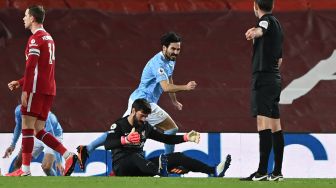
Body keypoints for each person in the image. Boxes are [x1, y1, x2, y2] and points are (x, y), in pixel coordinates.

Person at [6, 5, 77, 176]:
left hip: (36, 89)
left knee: (27, 126)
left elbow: (31, 66)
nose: (23, 18)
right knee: (38, 129)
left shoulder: (34, 39)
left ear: (32, 18)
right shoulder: (49, 38)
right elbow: (43, 69)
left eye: (25, 15)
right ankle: (69, 155)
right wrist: (20, 81)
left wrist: (26, 89)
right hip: (48, 89)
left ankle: (25, 170)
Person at [77, 98, 231, 177]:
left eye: (146, 117)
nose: (144, 119)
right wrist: (125, 140)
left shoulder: (145, 126)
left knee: (178, 157)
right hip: (122, 167)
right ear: (133, 110)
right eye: (142, 116)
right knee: (134, 157)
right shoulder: (119, 125)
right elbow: (109, 143)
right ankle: (161, 170)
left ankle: (213, 170)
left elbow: (165, 139)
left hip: (141, 165)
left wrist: (185, 137)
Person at [123, 31, 197, 155]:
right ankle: (169, 162)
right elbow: (166, 87)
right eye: (173, 49)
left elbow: (169, 79)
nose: (176, 52)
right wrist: (186, 87)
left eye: (178, 49)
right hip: (145, 103)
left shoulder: (170, 59)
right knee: (172, 128)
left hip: (137, 99)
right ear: (164, 47)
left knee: (120, 129)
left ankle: (87, 148)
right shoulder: (159, 63)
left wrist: (174, 101)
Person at [241, 0, 284, 181]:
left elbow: (262, 28)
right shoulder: (278, 26)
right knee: (276, 126)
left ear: (255, 6)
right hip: (274, 79)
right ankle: (277, 172)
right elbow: (280, 59)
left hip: (264, 79)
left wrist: (255, 32)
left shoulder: (265, 21)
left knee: (263, 124)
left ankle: (261, 172)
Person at [3, 105, 64, 176]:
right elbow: (18, 126)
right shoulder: (19, 111)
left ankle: (55, 184)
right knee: (18, 163)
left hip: (52, 136)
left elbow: (52, 140)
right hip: (36, 134)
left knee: (46, 167)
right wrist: (12, 145)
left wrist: (58, 160)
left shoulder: (45, 116)